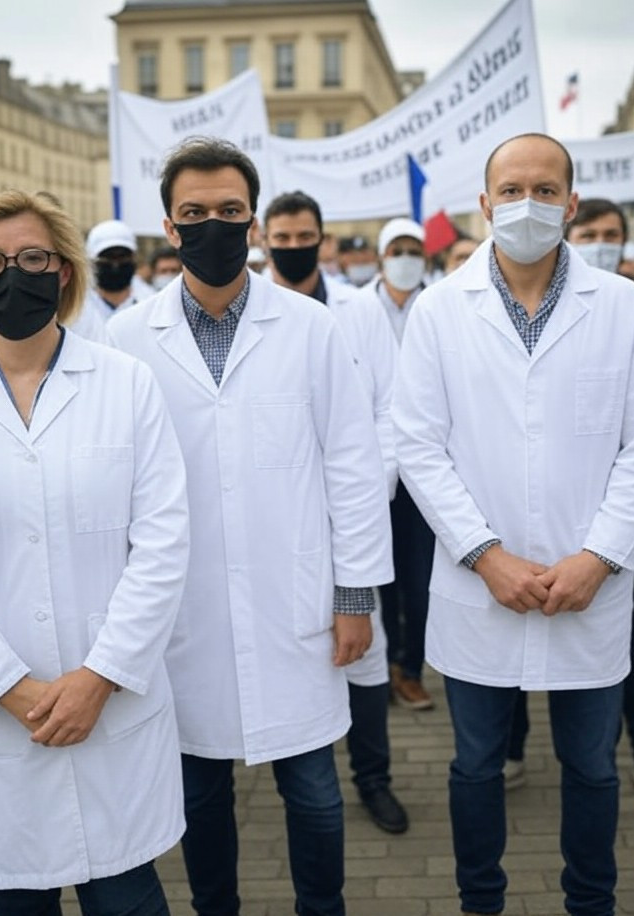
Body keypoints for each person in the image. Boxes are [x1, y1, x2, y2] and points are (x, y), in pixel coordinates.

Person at [107, 138, 394, 916]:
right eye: (194, 213)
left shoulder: (310, 328)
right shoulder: (125, 341)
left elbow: (354, 468)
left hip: (294, 603)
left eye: (229, 212)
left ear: (255, 222)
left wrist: (355, 596)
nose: (213, 226)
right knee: (199, 795)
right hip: (180, 613)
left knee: (313, 792)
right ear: (169, 226)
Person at [393, 133, 634, 916]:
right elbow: (416, 443)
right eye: (511, 190)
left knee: (591, 767)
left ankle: (593, 902)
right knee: (476, 765)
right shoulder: (441, 310)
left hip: (593, 585)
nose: (528, 205)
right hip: (481, 588)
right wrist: (484, 555)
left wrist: (601, 556)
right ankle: (480, 901)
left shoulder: (628, 310)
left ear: (572, 203)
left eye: (546, 190)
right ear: (484, 206)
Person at [0, 190, 189, 914]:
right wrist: (11, 686)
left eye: (32, 258)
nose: (12, 275)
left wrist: (99, 677)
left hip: (113, 710)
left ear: (64, 272)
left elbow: (163, 542)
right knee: (20, 899)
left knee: (128, 894)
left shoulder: (126, 385)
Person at [504, 197, 634, 809]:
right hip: (540, 516)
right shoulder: (527, 306)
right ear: (570, 230)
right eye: (592, 234)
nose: (603, 243)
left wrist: (614, 521)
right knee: (514, 637)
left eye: (614, 235)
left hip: (624, 526)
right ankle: (514, 745)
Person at [264, 189, 407, 834]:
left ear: (323, 240)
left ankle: (373, 779)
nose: (293, 248)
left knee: (363, 653)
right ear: (263, 240)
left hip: (352, 516)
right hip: (273, 522)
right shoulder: (249, 308)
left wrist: (362, 494)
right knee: (279, 648)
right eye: (282, 238)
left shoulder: (359, 311)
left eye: (304, 238)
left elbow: (389, 410)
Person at [358, 217, 435, 710]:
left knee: (421, 578)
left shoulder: (442, 304)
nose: (405, 258)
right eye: (397, 250)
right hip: (372, 465)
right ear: (383, 256)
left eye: (413, 249)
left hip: (428, 467)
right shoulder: (358, 307)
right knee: (376, 575)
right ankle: (381, 664)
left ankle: (411, 667)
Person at [70, 219, 141, 342]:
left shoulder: (150, 300)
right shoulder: (74, 308)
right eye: (108, 257)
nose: (115, 264)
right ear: (92, 261)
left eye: (122, 256)